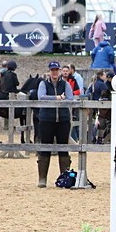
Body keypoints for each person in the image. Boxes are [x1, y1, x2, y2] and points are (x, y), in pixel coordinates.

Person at [35, 60, 73, 188]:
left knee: (64, 149)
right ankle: (42, 178)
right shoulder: (43, 83)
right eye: (53, 70)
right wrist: (57, 98)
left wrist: (60, 98)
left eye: (56, 70)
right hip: (47, 119)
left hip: (63, 119)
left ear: (60, 71)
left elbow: (70, 98)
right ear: (49, 71)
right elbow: (41, 97)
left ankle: (65, 177)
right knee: (45, 148)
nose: (55, 72)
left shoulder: (66, 84)